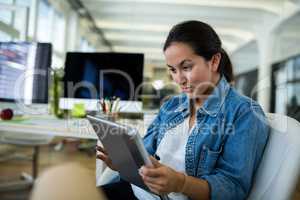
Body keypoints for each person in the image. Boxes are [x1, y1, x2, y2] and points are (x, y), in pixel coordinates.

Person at [96, 20, 269, 200]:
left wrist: (180, 183)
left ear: (214, 61)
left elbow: (233, 189)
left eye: (186, 67)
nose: (179, 79)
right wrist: (124, 163)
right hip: (137, 192)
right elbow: (145, 154)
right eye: (172, 70)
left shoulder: (244, 113)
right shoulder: (171, 106)